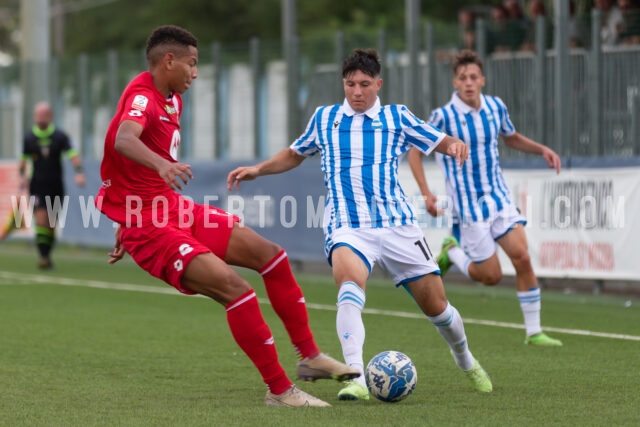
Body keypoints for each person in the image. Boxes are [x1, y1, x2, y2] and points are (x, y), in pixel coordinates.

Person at [96, 25, 359, 408]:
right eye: (192, 63)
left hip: (170, 209)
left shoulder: (171, 97)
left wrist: (126, 208)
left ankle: (311, 357)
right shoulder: (142, 96)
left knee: (271, 256)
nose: (196, 73)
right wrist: (157, 174)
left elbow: (126, 168)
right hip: (150, 227)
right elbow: (124, 138)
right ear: (169, 61)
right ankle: (280, 391)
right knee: (236, 290)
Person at [227, 48, 493, 401]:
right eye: (350, 84)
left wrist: (455, 144)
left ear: (378, 84)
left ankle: (466, 360)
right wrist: (258, 169)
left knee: (439, 309)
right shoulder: (325, 119)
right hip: (348, 226)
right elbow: (295, 153)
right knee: (350, 287)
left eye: (364, 84)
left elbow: (438, 140)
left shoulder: (397, 117)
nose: (356, 92)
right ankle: (357, 376)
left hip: (398, 226)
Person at [407, 49, 563, 347]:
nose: (468, 82)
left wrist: (542, 149)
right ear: (455, 82)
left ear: (483, 80)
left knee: (523, 257)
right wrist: (427, 193)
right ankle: (452, 251)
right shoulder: (444, 115)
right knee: (490, 276)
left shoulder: (495, 107)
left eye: (473, 77)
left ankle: (534, 332)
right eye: (463, 77)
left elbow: (510, 137)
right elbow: (415, 151)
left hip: (499, 198)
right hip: (468, 209)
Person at [9, 102, 86, 269]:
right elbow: (23, 160)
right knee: (41, 219)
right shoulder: (29, 138)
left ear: (50, 116)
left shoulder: (60, 136)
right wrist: (21, 177)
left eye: (44, 115)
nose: (40, 118)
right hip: (37, 185)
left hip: (55, 186)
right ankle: (43, 256)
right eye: (38, 115)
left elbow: (73, 155)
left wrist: (79, 172)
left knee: (51, 223)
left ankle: (47, 255)